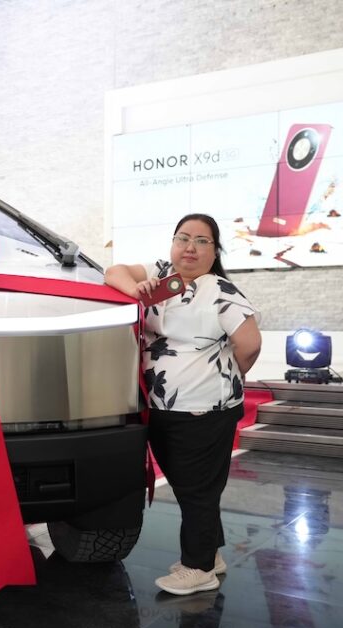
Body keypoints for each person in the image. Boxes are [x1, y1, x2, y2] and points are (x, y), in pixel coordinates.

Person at [105, 213, 261, 596]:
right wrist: (136, 287)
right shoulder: (160, 274)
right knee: (188, 484)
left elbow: (250, 344)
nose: (190, 247)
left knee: (197, 489)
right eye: (183, 238)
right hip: (161, 404)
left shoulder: (220, 291)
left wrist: (225, 375)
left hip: (204, 408)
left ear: (215, 251)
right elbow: (112, 272)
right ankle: (211, 553)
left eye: (202, 241)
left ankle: (198, 567)